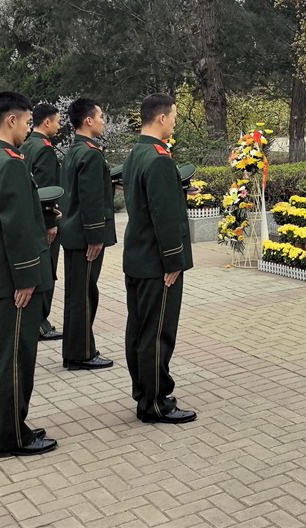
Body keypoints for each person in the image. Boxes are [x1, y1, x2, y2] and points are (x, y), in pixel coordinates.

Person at [0, 91, 57, 457]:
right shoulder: (8, 163)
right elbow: (15, 227)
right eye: (25, 122)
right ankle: (12, 437)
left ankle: (3, 429)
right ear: (11, 120)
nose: (27, 129)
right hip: (13, 281)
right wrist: (26, 278)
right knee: (15, 361)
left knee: (0, 357)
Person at [122, 93, 196, 424]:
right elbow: (163, 217)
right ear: (162, 118)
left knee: (139, 330)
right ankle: (155, 402)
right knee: (157, 333)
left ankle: (144, 392)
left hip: (138, 257)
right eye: (174, 117)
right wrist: (173, 261)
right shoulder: (159, 158)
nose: (175, 122)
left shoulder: (136, 154)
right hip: (157, 263)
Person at [59, 98, 116, 371]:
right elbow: (90, 198)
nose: (103, 121)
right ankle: (81, 353)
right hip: (84, 236)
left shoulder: (74, 150)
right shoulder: (90, 153)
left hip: (73, 232)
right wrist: (95, 236)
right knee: (84, 295)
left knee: (77, 293)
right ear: (88, 120)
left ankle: (74, 350)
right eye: (100, 116)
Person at [20, 103, 63, 342]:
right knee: (46, 272)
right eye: (57, 121)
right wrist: (50, 222)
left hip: (30, 218)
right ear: (47, 122)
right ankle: (40, 323)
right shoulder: (44, 149)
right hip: (43, 221)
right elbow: (47, 190)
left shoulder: (27, 144)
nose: (58, 126)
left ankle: (35, 321)